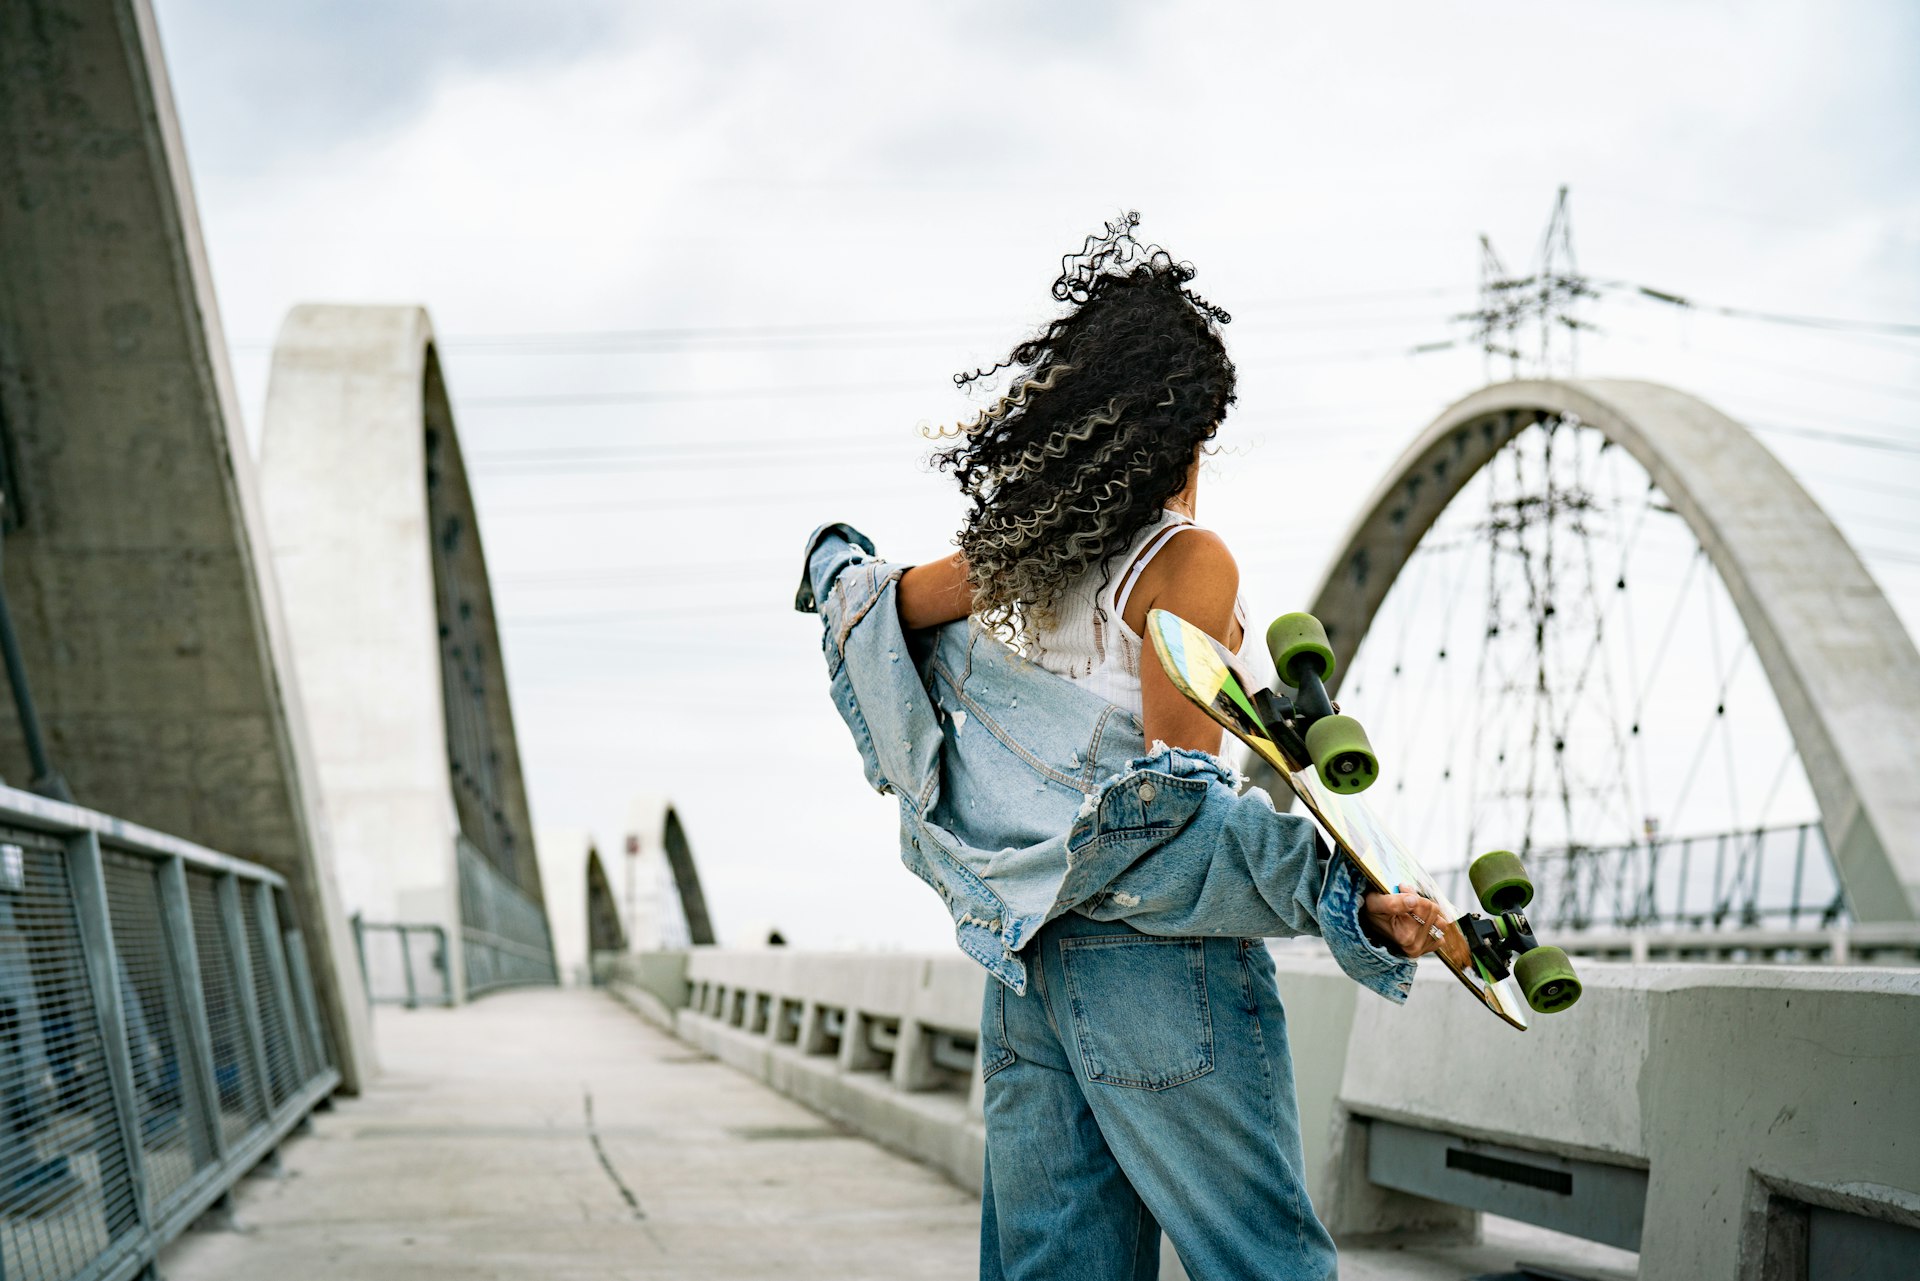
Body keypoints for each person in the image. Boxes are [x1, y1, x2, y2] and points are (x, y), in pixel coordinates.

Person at [886, 215, 1444, 1279]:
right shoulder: (1186, 564)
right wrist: (1340, 892)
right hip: (1154, 965)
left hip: (1026, 960)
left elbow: (884, 612)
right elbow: (1166, 818)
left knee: (1055, 1266)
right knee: (1260, 1260)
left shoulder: (1021, 566)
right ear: (1189, 430)